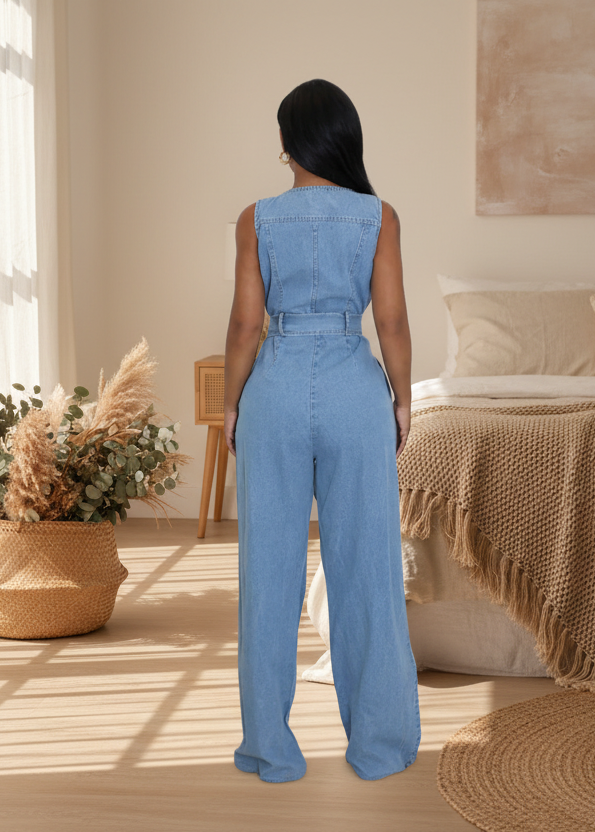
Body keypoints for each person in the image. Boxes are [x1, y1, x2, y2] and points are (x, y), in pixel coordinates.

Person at [223, 78, 421, 784]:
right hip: (351, 389)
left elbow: (247, 323)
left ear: (287, 145)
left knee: (267, 573)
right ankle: (378, 749)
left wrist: (231, 403)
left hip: (274, 389)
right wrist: (401, 400)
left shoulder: (256, 219)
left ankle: (269, 752)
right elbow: (390, 323)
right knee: (365, 570)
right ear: (344, 137)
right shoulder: (378, 216)